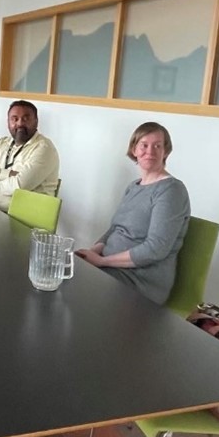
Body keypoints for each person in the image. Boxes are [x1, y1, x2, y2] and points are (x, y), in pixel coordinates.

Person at [75, 122, 190, 305]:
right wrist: (91, 253)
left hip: (140, 282)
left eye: (157, 146)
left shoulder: (171, 190)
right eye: (144, 145)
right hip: (110, 268)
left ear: (166, 152)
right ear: (134, 149)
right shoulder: (133, 186)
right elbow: (114, 229)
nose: (150, 151)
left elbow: (155, 249)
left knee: (72, 289)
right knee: (60, 269)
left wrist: (102, 262)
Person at [0, 100, 59, 212]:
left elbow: (19, 185)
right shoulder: (1, 143)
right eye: (14, 119)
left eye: (26, 119)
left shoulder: (44, 148)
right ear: (8, 122)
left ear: (36, 121)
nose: (20, 123)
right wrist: (8, 174)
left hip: (28, 216)